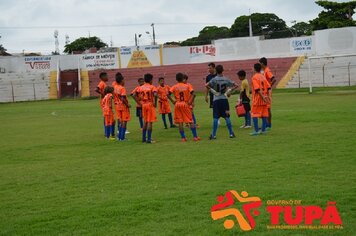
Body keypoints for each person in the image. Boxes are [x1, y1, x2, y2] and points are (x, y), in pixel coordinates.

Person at [206, 65, 238, 140]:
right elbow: (236, 85)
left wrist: (213, 91)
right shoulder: (226, 79)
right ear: (223, 70)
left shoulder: (214, 79)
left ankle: (213, 135)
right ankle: (231, 133)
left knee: (216, 117)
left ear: (216, 71)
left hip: (216, 100)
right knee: (227, 116)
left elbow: (206, 85)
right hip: (224, 100)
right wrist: (229, 91)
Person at [168, 73, 200, 142]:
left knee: (180, 122)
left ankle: (183, 138)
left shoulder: (174, 86)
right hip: (185, 104)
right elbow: (194, 94)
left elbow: (168, 94)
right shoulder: (187, 86)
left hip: (177, 104)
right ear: (183, 78)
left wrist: (173, 101)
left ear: (176, 79)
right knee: (190, 120)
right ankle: (195, 137)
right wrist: (190, 102)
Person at [132, 73, 157, 144]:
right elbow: (155, 94)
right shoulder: (152, 87)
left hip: (143, 105)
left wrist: (139, 103)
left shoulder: (140, 87)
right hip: (150, 104)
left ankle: (143, 139)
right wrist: (155, 103)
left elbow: (133, 95)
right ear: (151, 80)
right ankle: (149, 139)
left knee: (145, 122)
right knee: (150, 122)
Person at [250, 63, 271, 136]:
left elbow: (257, 89)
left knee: (254, 114)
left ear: (255, 69)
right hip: (265, 99)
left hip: (258, 99)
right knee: (264, 114)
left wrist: (262, 97)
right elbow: (269, 87)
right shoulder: (263, 77)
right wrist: (268, 97)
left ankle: (256, 131)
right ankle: (263, 130)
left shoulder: (254, 77)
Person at [113, 72, 131, 141]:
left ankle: (119, 137)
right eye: (124, 80)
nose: (124, 81)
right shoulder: (122, 88)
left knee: (120, 121)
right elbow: (123, 98)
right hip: (123, 106)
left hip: (117, 106)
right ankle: (122, 137)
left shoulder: (115, 87)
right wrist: (127, 105)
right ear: (121, 81)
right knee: (124, 121)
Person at [259, 57, 275, 130]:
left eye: (259, 63)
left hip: (267, 93)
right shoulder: (264, 71)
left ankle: (268, 125)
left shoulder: (267, 70)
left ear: (262, 63)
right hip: (266, 92)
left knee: (267, 109)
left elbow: (273, 79)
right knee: (266, 108)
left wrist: (269, 87)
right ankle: (267, 124)